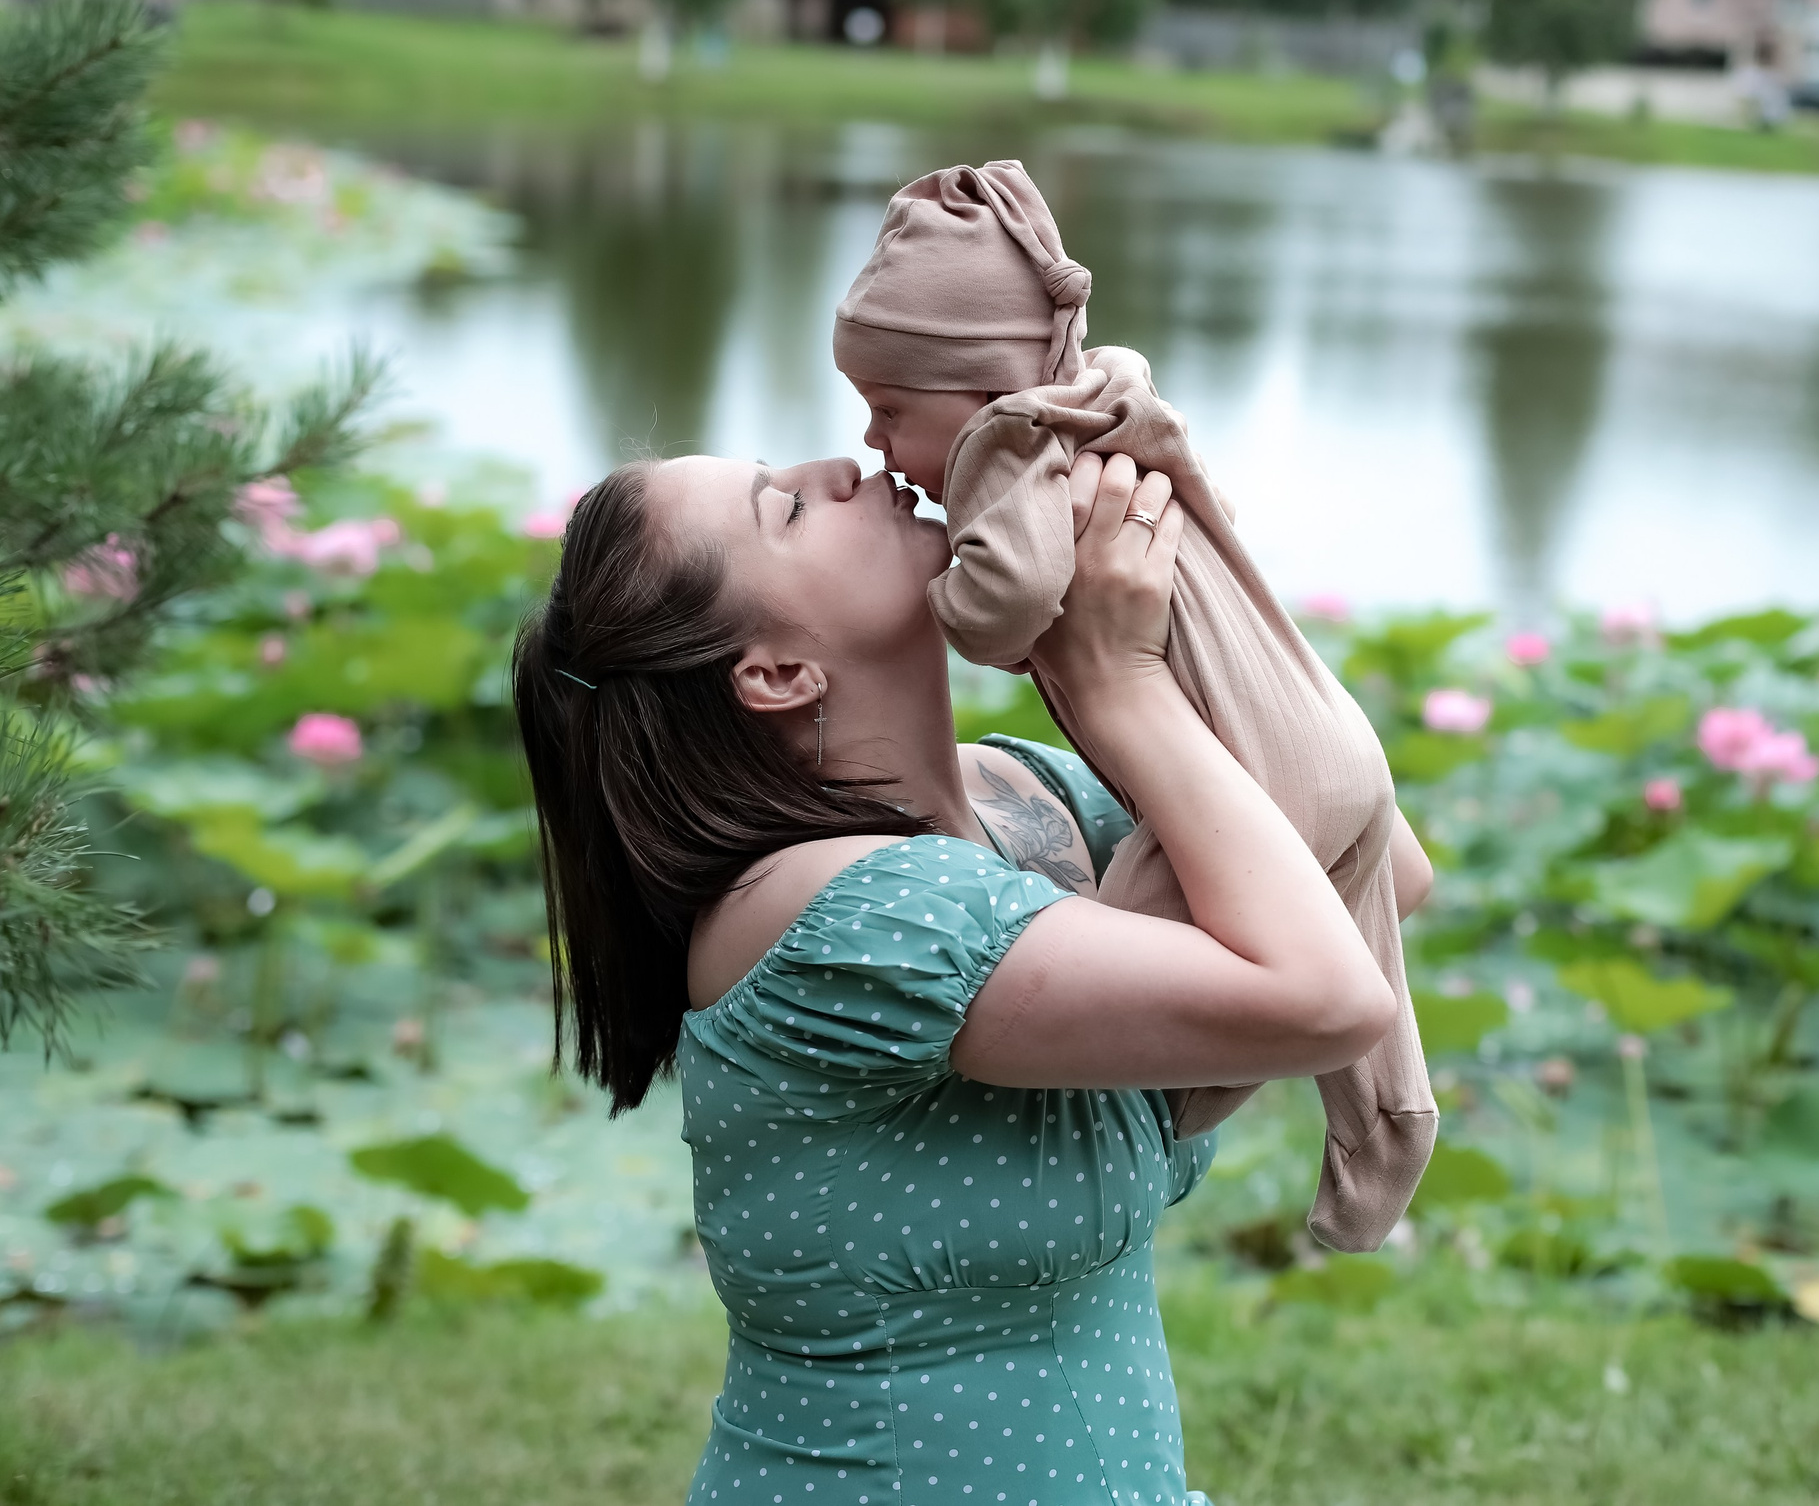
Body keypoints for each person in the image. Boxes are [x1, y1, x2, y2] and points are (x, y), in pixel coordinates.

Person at [511, 448, 1431, 1506]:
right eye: (788, 508)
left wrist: (1192, 581)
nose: (841, 465)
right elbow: (1327, 998)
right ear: (776, 674)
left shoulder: (1026, 799)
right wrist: (1120, 686)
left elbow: (1376, 865)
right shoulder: (833, 914)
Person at [834, 159, 1436, 1251]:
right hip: (1318, 735)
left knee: (1138, 996)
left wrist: (937, 592)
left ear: (980, 389)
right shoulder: (1115, 402)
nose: (873, 443)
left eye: (888, 410)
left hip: (1254, 773)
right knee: (1364, 978)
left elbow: (1008, 602)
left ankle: (1152, 1128)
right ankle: (1391, 1119)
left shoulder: (1009, 446)